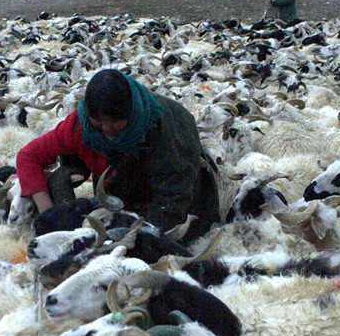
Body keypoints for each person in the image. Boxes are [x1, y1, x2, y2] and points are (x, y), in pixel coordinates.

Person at [16, 69, 220, 243]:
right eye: (99, 122)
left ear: (130, 112)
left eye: (115, 121)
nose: (107, 131)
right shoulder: (81, 126)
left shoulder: (165, 125)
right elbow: (28, 156)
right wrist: (50, 215)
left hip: (182, 204)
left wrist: (137, 240)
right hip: (118, 201)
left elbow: (173, 199)